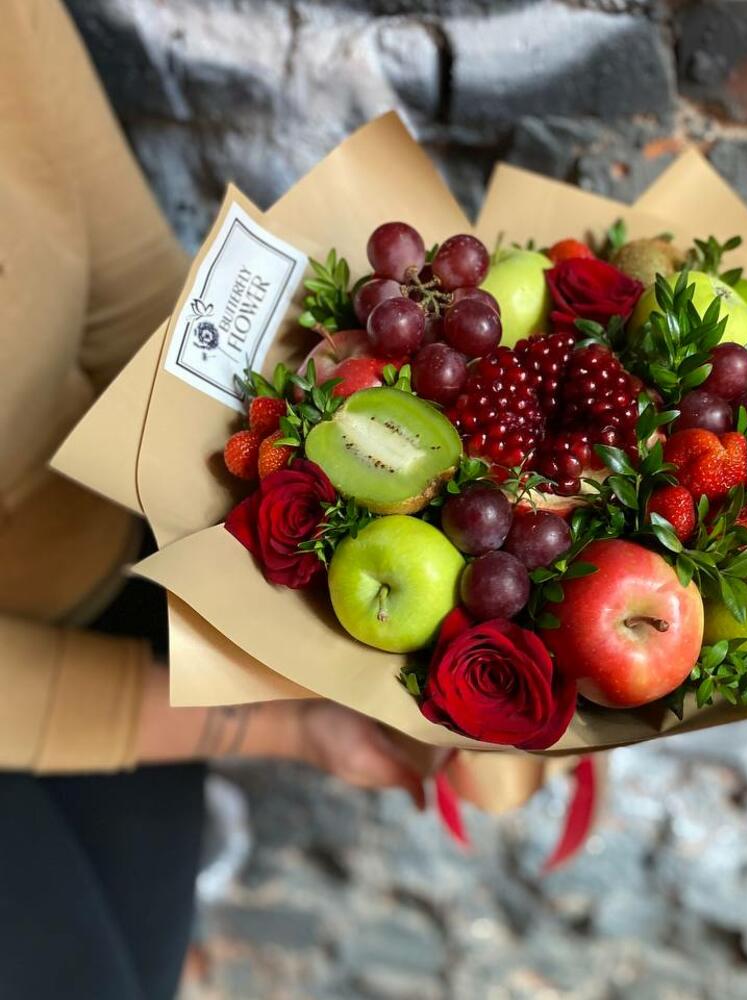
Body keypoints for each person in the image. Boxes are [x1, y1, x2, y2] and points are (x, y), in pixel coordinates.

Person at [0, 3, 434, 998]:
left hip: (107, 564)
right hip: (34, 684)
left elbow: (132, 303)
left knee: (140, 971)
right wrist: (275, 726)